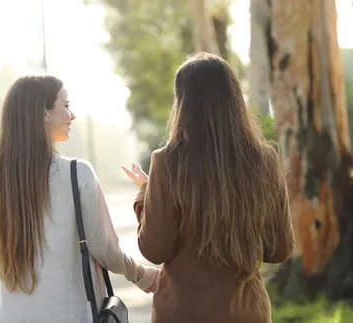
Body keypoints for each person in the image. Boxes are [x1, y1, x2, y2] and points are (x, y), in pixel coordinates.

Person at [122, 53, 296, 323]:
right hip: (246, 313)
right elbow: (280, 248)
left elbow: (155, 249)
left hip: (183, 313)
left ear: (184, 104)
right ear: (234, 100)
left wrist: (145, 192)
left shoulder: (168, 161)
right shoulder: (264, 160)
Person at [0, 74, 159, 323]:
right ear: (44, 113)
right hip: (67, 314)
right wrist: (142, 276)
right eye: (66, 105)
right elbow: (105, 249)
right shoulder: (76, 173)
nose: (72, 116)